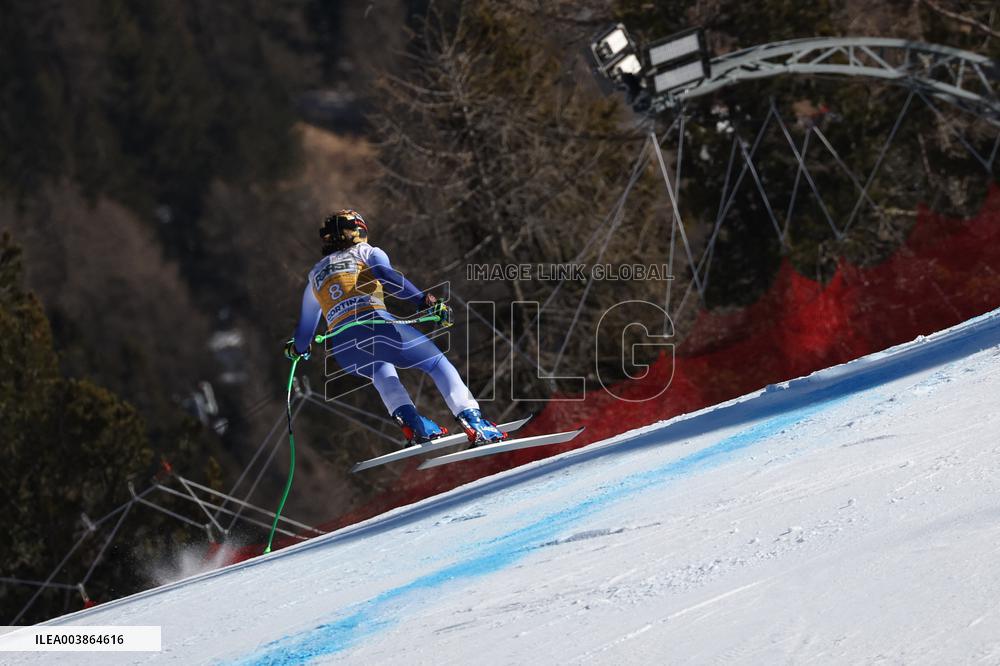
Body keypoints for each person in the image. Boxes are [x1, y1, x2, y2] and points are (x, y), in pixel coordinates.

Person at [285, 209, 506, 447]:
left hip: (345, 351)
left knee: (379, 370)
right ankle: (475, 422)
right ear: (359, 230)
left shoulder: (314, 276)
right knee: (436, 363)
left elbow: (305, 332)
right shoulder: (367, 252)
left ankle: (414, 425)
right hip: (377, 327)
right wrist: (424, 302)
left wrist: (297, 350)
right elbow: (385, 275)